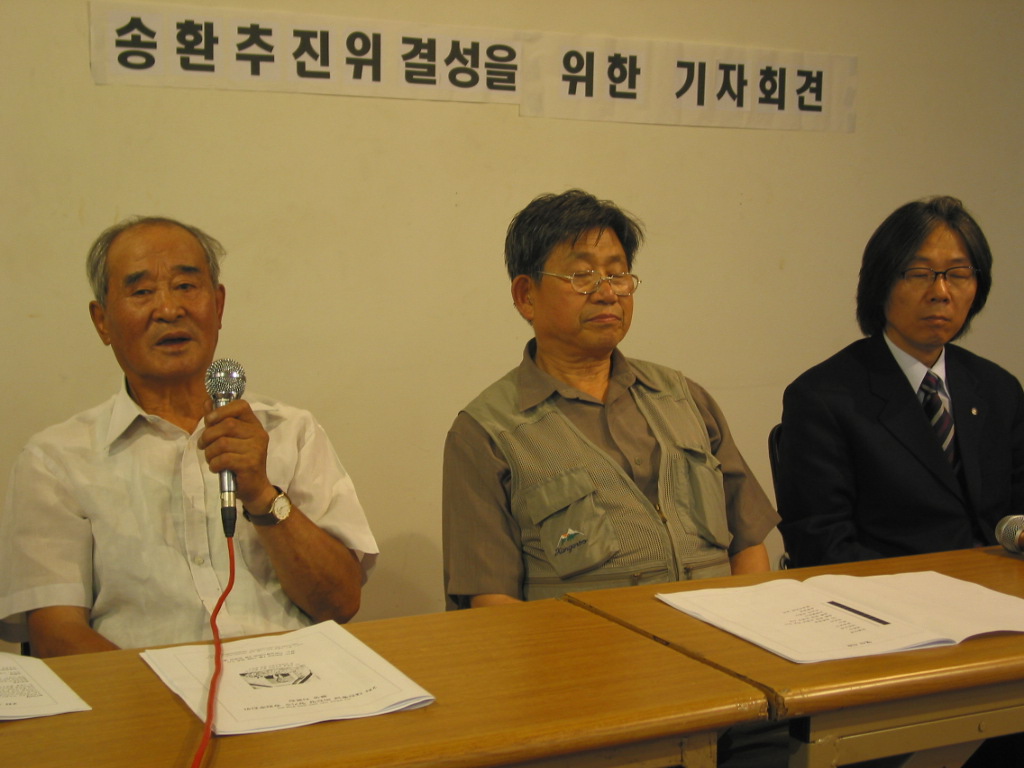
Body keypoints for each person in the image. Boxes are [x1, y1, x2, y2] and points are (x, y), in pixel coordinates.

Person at [0, 216, 378, 657]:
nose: (168, 309)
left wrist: (262, 493)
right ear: (102, 321)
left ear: (217, 306)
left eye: (185, 286)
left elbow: (340, 603)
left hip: (293, 680)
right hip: (139, 692)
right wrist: (159, 693)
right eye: (142, 292)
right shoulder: (56, 459)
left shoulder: (290, 431)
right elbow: (56, 636)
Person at [442, 189, 779, 609]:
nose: (607, 294)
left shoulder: (684, 398)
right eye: (582, 276)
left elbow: (748, 544)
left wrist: (748, 622)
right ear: (526, 295)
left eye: (617, 275)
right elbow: (493, 602)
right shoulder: (487, 432)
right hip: (582, 648)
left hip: (719, 635)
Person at [778, 195, 1024, 568]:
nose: (940, 293)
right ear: (880, 283)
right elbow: (821, 544)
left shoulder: (998, 388)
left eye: (958, 274)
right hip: (891, 594)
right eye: (919, 273)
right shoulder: (823, 397)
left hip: (1000, 587)